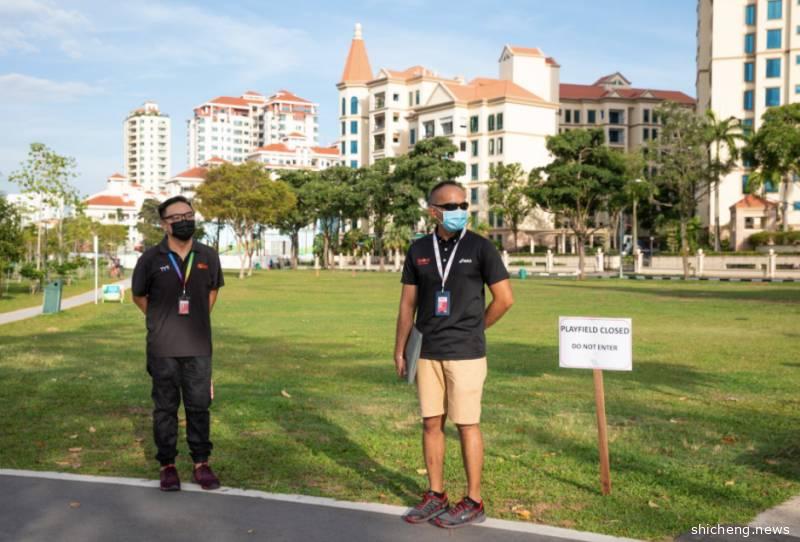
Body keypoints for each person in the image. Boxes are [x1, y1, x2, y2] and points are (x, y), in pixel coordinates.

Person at [395, 181, 514, 528]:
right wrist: (400, 349)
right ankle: (436, 494)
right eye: (450, 207)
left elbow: (505, 299)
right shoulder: (419, 249)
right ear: (433, 211)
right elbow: (407, 304)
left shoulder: (481, 247)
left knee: (466, 423)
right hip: (427, 350)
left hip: (466, 353)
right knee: (431, 422)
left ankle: (474, 500)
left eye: (463, 205)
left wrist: (476, 328)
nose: (459, 211)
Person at [131, 195, 224, 492]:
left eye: (188, 215)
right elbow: (138, 296)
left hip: (198, 346)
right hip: (163, 348)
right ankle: (167, 465)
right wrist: (162, 320)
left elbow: (212, 291)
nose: (184, 221)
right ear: (164, 224)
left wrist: (194, 319)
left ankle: (201, 463)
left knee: (199, 407)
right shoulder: (150, 259)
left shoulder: (208, 255)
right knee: (165, 409)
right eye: (176, 218)